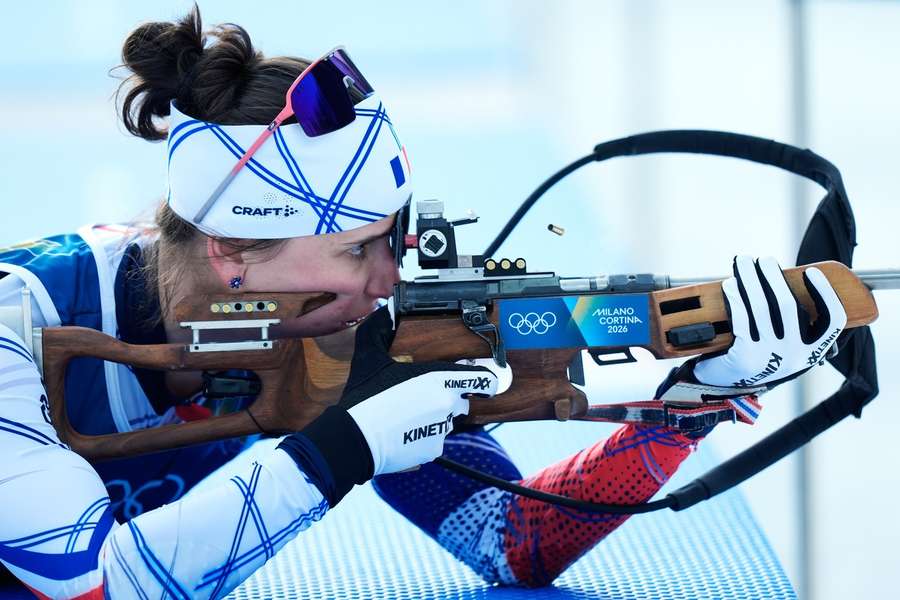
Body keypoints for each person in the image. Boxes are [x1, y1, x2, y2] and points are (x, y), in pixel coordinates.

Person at [0, 7, 847, 599]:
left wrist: (690, 403)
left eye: (393, 241)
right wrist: (337, 454)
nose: (386, 282)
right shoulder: (19, 329)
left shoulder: (334, 341)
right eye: (356, 249)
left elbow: (513, 543)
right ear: (230, 253)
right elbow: (103, 585)